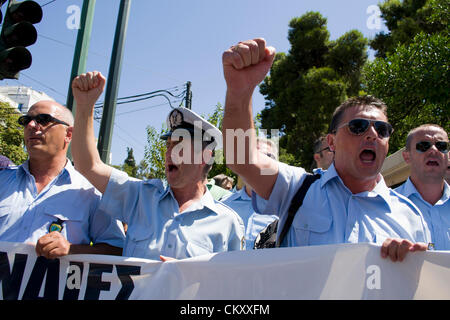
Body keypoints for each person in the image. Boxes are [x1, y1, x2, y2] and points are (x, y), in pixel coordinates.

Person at [221, 38, 430, 262]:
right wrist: (240, 92)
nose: (372, 134)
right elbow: (240, 157)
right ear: (332, 142)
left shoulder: (411, 216)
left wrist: (408, 264)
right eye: (357, 126)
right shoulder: (296, 190)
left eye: (382, 129)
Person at [71, 71, 244, 261]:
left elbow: (232, 284)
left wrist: (188, 277)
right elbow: (88, 166)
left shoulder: (228, 223)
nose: (169, 153)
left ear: (205, 156)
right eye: (168, 145)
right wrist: (85, 106)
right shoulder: (140, 197)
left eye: (180, 145)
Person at [0, 100, 125, 259]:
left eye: (43, 120)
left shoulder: (90, 192)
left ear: (69, 134)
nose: (31, 125)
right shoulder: (3, 180)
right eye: (26, 121)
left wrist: (72, 249)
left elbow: (118, 249)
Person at [395, 124, 449, 250]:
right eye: (423, 146)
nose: (434, 150)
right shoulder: (385, 206)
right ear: (406, 156)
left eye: (441, 146)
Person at [222, 137, 279, 250]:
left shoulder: (290, 209)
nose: (260, 162)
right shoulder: (223, 206)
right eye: (253, 156)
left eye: (268, 157)